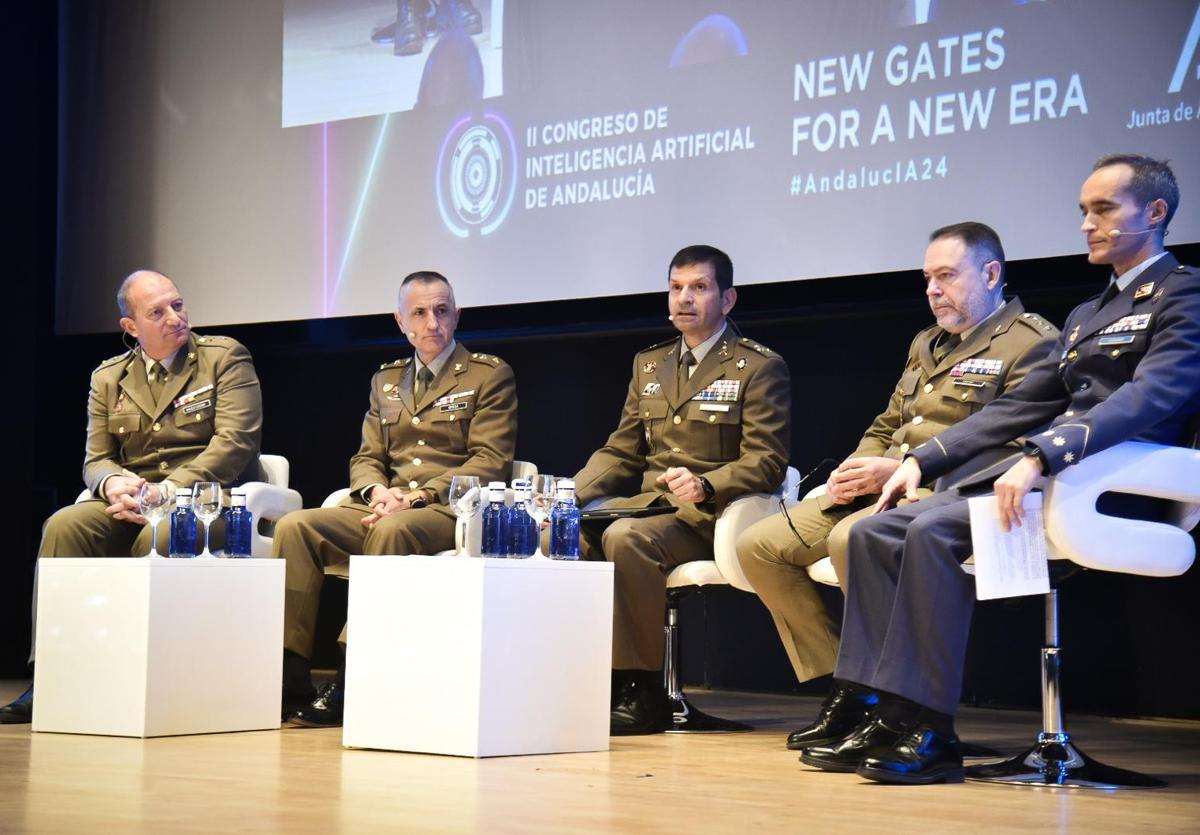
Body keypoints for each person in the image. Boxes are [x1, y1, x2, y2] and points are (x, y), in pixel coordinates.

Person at [797, 154, 1200, 784]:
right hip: (1054, 480)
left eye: (1104, 209)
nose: (1088, 224)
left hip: (1120, 486)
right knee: (876, 531)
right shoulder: (1086, 316)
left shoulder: (1185, 294)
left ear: (1155, 213)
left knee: (930, 533)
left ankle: (931, 731)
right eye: (1082, 212)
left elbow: (1150, 396)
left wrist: (1045, 453)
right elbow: (1021, 405)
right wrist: (919, 459)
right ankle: (882, 712)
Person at [736, 223, 1058, 749]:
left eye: (947, 276)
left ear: (992, 274)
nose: (933, 290)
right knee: (759, 547)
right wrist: (856, 470)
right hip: (882, 486)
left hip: (942, 494)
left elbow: (1011, 443)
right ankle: (849, 685)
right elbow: (888, 423)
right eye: (928, 278)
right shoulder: (924, 342)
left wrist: (904, 468)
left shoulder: (1032, 343)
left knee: (848, 540)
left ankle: (888, 698)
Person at [0, 269, 264, 724]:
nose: (175, 318)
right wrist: (111, 485)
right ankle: (51, 676)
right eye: (157, 312)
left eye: (177, 305)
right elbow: (96, 458)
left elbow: (235, 444)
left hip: (200, 503)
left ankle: (138, 679)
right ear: (131, 327)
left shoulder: (224, 358)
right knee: (63, 525)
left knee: (159, 533)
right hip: (131, 501)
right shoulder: (108, 377)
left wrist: (165, 493)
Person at [565, 244, 791, 735]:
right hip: (647, 509)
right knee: (566, 534)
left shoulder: (757, 366)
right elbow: (621, 452)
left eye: (699, 287)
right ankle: (587, 684)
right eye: (676, 287)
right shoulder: (650, 364)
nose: (684, 298)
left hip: (709, 516)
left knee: (626, 540)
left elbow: (767, 461)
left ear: (727, 299)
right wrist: (568, 495)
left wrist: (707, 483)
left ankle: (642, 692)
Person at [275, 271, 517, 728]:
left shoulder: (489, 373)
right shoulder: (386, 379)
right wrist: (377, 490)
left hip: (446, 510)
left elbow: (491, 460)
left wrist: (420, 494)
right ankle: (289, 676)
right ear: (400, 320)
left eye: (442, 311)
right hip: (385, 505)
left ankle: (352, 678)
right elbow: (367, 456)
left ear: (457, 315)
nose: (433, 323)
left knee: (391, 528)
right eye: (421, 313)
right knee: (296, 526)